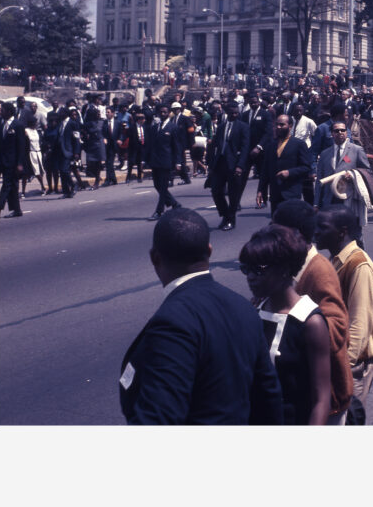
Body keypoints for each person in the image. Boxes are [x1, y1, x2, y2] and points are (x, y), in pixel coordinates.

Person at [118, 208, 283, 424]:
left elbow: (158, 418)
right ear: (210, 250)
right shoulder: (244, 308)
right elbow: (269, 397)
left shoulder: (172, 322)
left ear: (155, 258)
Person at [239, 224, 332, 425]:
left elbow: (321, 399)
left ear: (284, 269)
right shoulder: (255, 311)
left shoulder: (310, 322)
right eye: (246, 269)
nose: (250, 277)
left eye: (259, 270)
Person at [272, 200, 353, 424]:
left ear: (295, 234)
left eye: (277, 231)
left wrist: (298, 323)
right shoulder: (289, 266)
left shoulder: (319, 270)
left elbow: (337, 328)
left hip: (327, 396)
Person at [315, 205, 373, 425]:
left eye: (322, 227)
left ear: (341, 231)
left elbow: (359, 323)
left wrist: (343, 369)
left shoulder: (359, 266)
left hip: (352, 365)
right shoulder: (336, 260)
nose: (316, 232)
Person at [206, 100, 250, 231]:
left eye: (237, 113)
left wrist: (240, 166)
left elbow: (245, 148)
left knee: (233, 194)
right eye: (232, 113)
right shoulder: (221, 126)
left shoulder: (243, 127)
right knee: (216, 191)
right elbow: (215, 145)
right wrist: (211, 163)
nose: (235, 115)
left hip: (235, 164)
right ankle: (225, 214)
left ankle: (231, 220)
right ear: (227, 113)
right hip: (220, 163)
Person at [260, 114, 314, 215]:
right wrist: (260, 191)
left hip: (291, 193)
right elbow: (265, 170)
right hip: (275, 193)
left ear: (290, 126)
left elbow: (306, 167)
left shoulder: (299, 144)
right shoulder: (271, 145)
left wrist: (289, 172)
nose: (278, 127)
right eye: (276, 125)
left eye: (282, 125)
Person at [143, 109, 182, 220]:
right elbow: (149, 145)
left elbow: (177, 146)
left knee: (163, 187)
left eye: (165, 112)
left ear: (168, 113)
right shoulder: (155, 128)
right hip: (155, 161)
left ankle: (159, 211)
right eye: (161, 112)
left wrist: (178, 162)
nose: (163, 114)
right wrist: (144, 160)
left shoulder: (173, 127)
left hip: (166, 161)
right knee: (157, 185)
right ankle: (174, 203)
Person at [0, 102, 26, 219]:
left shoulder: (18, 125)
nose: (0, 111)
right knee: (13, 186)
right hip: (0, 160)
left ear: (9, 111)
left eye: (2, 110)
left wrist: (20, 163)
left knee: (7, 185)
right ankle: (17, 210)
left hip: (12, 162)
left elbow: (21, 146)